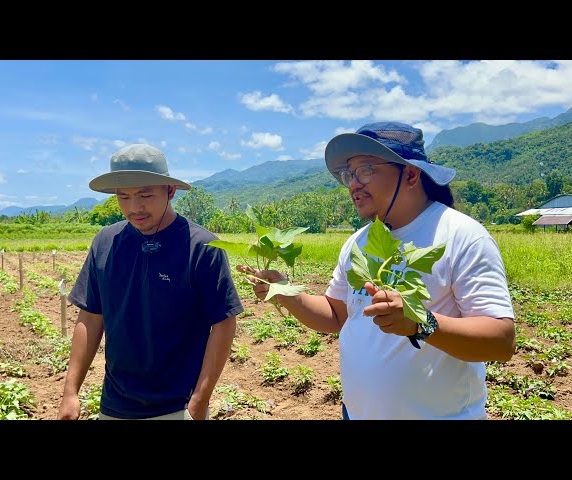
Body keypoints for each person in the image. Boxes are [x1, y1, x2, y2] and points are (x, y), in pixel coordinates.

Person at [239, 121, 515, 420]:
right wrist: (286, 293)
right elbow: (336, 316)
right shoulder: (359, 242)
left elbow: (501, 341)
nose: (353, 183)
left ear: (410, 174)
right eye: (349, 174)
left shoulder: (461, 235)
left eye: (366, 169)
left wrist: (421, 322)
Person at [57, 143, 244, 420]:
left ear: (170, 191)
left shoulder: (201, 246)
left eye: (145, 194)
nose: (135, 207)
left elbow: (223, 322)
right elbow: (91, 317)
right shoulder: (106, 243)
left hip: (177, 406)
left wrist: (199, 401)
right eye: (124, 197)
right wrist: (70, 392)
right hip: (115, 403)